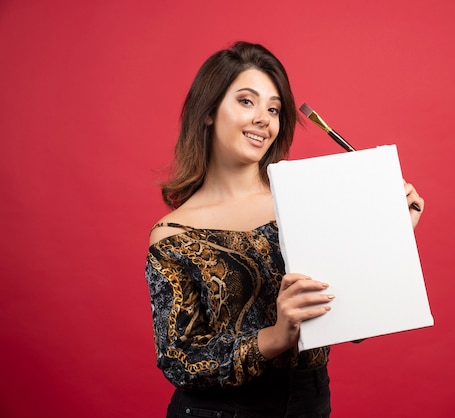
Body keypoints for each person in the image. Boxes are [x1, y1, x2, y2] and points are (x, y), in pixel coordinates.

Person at [145, 41, 425, 418]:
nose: (264, 118)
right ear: (209, 111)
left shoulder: (309, 204)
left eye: (274, 108)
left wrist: (388, 238)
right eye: (247, 101)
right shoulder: (173, 234)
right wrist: (276, 337)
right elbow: (180, 361)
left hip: (307, 404)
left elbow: (351, 324)